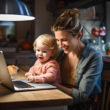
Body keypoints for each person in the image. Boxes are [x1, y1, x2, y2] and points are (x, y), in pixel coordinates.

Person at [51, 8, 103, 110]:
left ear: (79, 35)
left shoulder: (94, 57)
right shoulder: (60, 54)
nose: (60, 45)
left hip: (83, 106)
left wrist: (53, 84)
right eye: (57, 40)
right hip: (61, 100)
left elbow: (82, 96)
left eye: (64, 40)